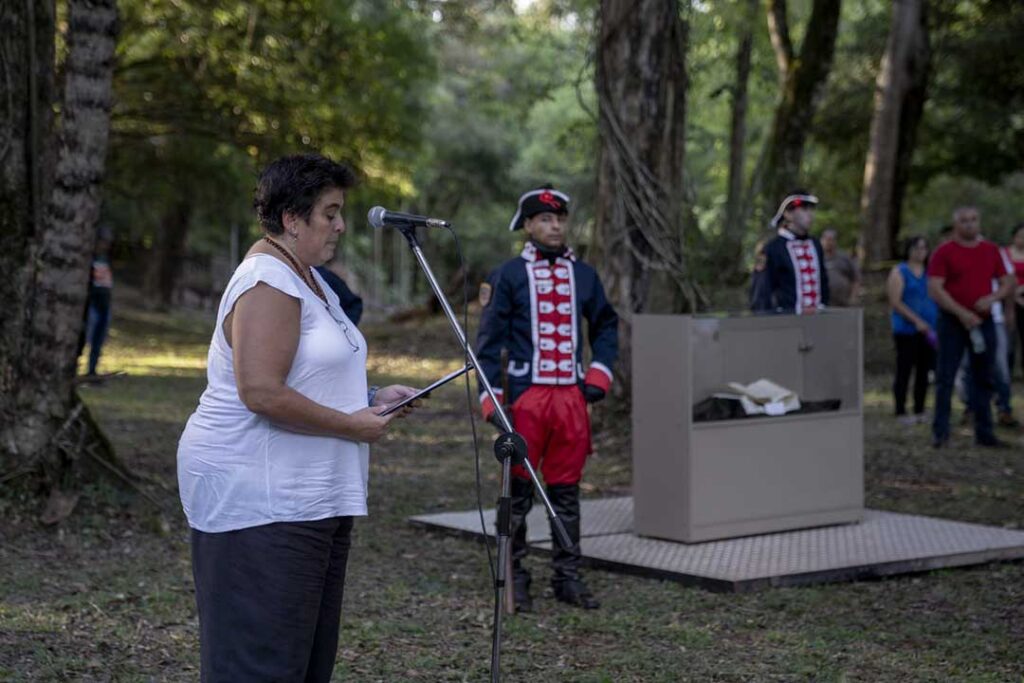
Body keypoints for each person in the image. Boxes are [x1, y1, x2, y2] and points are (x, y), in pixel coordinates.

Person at [176, 153, 420, 682]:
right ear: (292, 218)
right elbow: (260, 390)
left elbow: (305, 374)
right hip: (260, 501)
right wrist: (353, 425)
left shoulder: (309, 278)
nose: (340, 225)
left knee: (303, 663)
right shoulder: (268, 280)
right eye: (329, 213)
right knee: (260, 665)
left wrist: (372, 396)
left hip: (310, 499)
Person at [476, 186, 618, 612]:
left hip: (571, 400)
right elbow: (487, 343)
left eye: (559, 219)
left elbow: (607, 327)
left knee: (566, 492)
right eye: (544, 220)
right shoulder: (509, 275)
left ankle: (568, 577)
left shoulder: (585, 275)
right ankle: (515, 576)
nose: (554, 226)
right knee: (517, 492)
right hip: (526, 401)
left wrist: (599, 374)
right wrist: (492, 400)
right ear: (528, 225)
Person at [927, 205, 1014, 449]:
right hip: (952, 322)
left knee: (983, 376)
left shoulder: (990, 250)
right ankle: (941, 432)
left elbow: (1008, 282)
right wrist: (961, 312)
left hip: (983, 320)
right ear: (956, 224)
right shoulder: (944, 252)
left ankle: (985, 432)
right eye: (964, 221)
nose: (970, 225)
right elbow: (935, 288)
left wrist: (992, 298)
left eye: (974, 220)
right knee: (946, 376)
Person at [750, 190, 830, 314]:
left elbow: (823, 282)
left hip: (817, 324)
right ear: (788, 214)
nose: (810, 214)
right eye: (804, 209)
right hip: (786, 324)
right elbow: (761, 294)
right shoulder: (772, 249)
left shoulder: (815, 244)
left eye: (811, 209)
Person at [887, 236, 938, 424]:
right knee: (904, 369)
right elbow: (895, 301)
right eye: (916, 248)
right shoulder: (900, 271)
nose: (920, 252)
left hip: (929, 329)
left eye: (924, 248)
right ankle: (900, 410)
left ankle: (920, 409)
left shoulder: (930, 272)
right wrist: (916, 321)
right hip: (906, 329)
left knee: (924, 371)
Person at [78, 225, 114, 376]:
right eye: (103, 241)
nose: (105, 245)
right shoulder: (90, 259)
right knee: (87, 336)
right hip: (92, 304)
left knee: (99, 340)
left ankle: (92, 369)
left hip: (104, 304)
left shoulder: (106, 260)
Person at [821, 228, 861, 307]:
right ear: (821, 240)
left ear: (835, 241)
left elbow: (856, 278)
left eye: (831, 239)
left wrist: (853, 297)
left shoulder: (844, 257)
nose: (829, 242)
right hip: (823, 302)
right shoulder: (816, 257)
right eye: (826, 239)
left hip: (843, 302)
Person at [1005, 223, 1024, 378]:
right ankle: (1006, 376)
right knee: (1009, 342)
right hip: (1008, 301)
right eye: (1020, 236)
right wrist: (1014, 294)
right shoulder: (1005, 253)